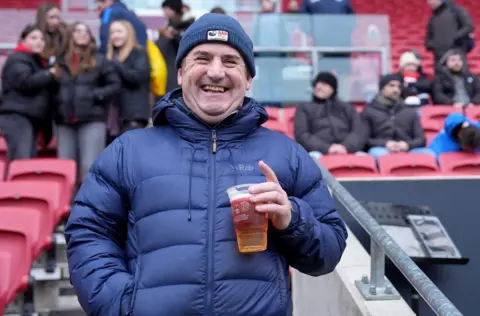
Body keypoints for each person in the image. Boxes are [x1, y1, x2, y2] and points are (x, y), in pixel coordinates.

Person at [64, 13, 347, 316]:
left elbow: (328, 251)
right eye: (202, 58)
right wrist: (122, 303)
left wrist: (292, 218)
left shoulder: (286, 154)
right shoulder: (128, 150)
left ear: (249, 78)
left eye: (230, 61)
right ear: (181, 73)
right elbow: (88, 232)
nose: (215, 72)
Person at [54, 22, 120, 182]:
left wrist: (95, 96)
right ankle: (66, 204)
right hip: (63, 121)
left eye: (86, 31)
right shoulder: (60, 62)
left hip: (92, 118)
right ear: (70, 35)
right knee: (65, 167)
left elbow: (114, 85)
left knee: (89, 165)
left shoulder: (100, 60)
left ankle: (88, 205)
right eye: (77, 30)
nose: (83, 34)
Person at [0, 24, 57, 161]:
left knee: (27, 160)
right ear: (23, 40)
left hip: (29, 118)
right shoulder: (18, 58)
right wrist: (49, 74)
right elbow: (24, 81)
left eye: (42, 39)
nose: (39, 41)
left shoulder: (37, 61)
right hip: (17, 117)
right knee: (21, 160)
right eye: (33, 38)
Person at [294, 72, 366, 158]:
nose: (318, 87)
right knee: (312, 159)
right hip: (317, 151)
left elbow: (358, 132)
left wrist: (345, 147)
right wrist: (327, 148)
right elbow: (302, 135)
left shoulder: (347, 108)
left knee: (365, 158)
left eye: (324, 84)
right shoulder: (304, 108)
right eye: (317, 84)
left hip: (347, 149)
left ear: (333, 88)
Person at [361, 74, 433, 159]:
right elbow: (364, 140)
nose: (396, 90)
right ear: (382, 88)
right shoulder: (369, 111)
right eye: (391, 86)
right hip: (381, 149)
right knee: (380, 154)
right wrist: (386, 144)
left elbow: (421, 139)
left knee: (429, 154)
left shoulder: (410, 111)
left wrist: (407, 145)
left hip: (408, 149)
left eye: (399, 87)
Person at [106, 20, 150, 141]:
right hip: (113, 117)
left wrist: (116, 64)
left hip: (133, 115)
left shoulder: (139, 53)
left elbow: (137, 77)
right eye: (112, 32)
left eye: (119, 31)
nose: (115, 35)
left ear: (128, 33)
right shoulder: (109, 56)